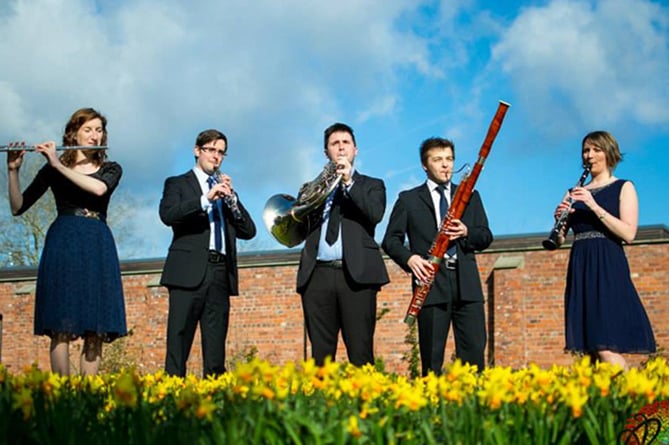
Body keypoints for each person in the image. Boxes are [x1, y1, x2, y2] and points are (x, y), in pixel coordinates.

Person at [6, 107, 127, 376]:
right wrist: (13, 171)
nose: (95, 135)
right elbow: (18, 207)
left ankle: (88, 398)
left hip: (97, 242)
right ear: (73, 133)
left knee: (96, 327)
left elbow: (98, 188)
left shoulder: (111, 168)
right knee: (61, 325)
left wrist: (57, 164)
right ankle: (63, 395)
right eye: (88, 129)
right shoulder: (52, 170)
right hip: (64, 242)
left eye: (99, 130)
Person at [382, 137, 492, 376]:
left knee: (474, 357)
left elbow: (485, 236)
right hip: (431, 285)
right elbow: (390, 240)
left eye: (450, 159)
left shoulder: (470, 195)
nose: (446, 165)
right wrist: (410, 260)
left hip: (467, 285)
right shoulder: (408, 199)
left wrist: (466, 232)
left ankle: (473, 408)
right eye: (438, 159)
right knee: (431, 361)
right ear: (425, 165)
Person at [553, 130, 655, 370]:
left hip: (608, 265)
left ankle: (635, 398)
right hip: (581, 265)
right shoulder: (572, 192)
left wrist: (592, 204)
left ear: (609, 153)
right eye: (586, 150)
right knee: (589, 351)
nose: (590, 155)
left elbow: (629, 233)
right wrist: (559, 224)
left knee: (605, 346)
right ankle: (605, 404)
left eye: (596, 149)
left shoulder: (623, 187)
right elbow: (558, 241)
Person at [159, 129, 256, 377]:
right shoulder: (177, 183)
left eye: (221, 152)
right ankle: (171, 398)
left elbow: (249, 231)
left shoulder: (226, 190)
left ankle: (214, 402)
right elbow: (168, 215)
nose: (216, 156)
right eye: (211, 150)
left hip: (219, 272)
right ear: (197, 151)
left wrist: (232, 200)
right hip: (187, 272)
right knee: (179, 341)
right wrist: (206, 198)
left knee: (215, 348)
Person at [296, 122, 389, 367]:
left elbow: (374, 214)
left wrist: (348, 182)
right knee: (320, 358)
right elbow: (295, 229)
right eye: (334, 144)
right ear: (326, 152)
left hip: (356, 277)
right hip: (317, 276)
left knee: (361, 353)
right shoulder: (310, 189)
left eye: (345, 143)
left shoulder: (372, 185)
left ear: (355, 150)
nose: (340, 148)